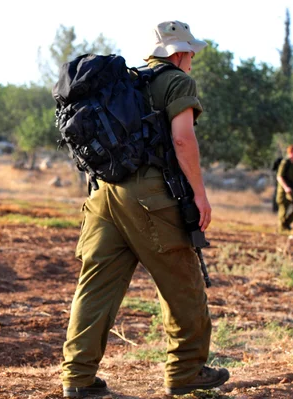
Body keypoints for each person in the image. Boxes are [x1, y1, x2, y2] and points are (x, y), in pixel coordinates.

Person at [60, 21, 229, 398]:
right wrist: (200, 195)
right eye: (192, 54)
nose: (192, 61)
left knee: (96, 286)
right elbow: (183, 140)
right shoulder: (176, 82)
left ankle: (78, 376)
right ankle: (186, 370)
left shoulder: (128, 81)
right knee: (182, 281)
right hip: (149, 195)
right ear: (180, 53)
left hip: (103, 195)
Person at [276, 145, 293, 231]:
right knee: (283, 208)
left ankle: (286, 224)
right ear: (291, 153)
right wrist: (286, 187)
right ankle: (282, 228)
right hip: (283, 191)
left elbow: (292, 177)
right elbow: (279, 177)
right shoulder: (285, 162)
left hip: (291, 189)